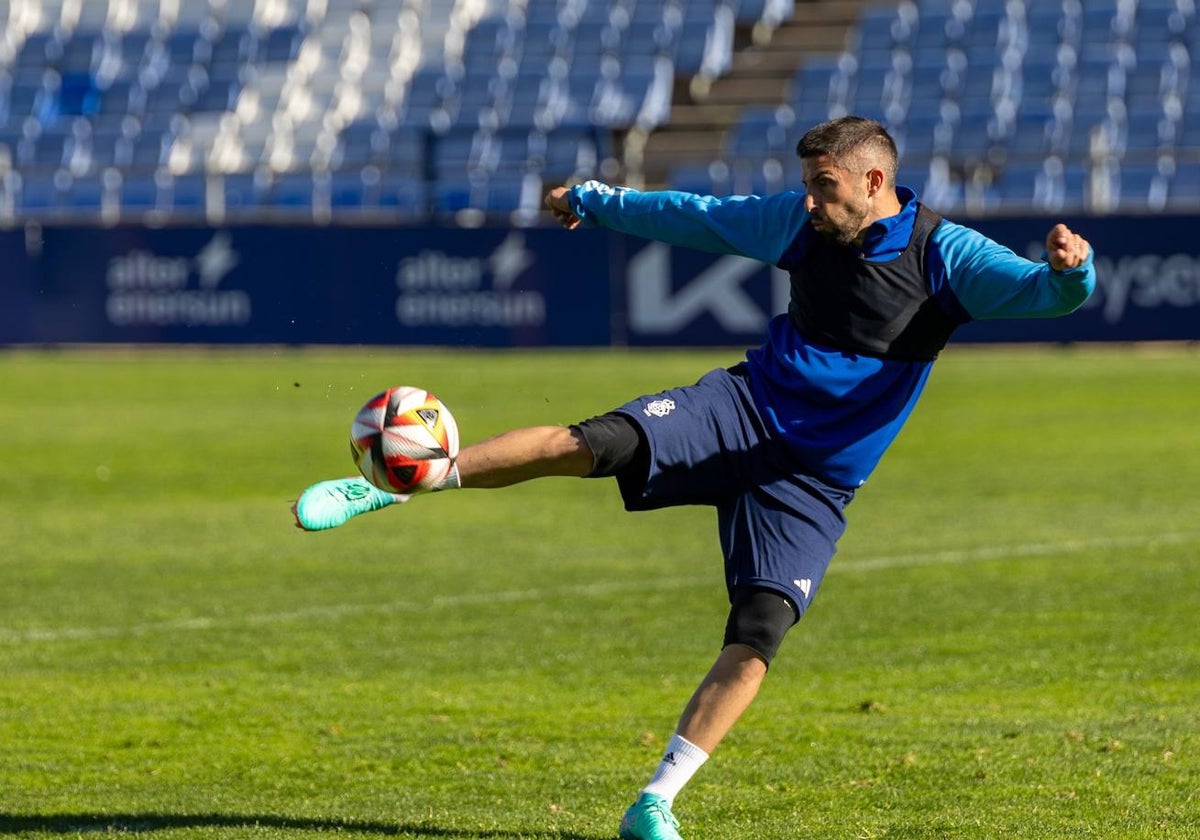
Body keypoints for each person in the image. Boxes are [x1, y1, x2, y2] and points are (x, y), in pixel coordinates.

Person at [293, 116, 1095, 840]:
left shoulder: (946, 256)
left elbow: (1037, 292)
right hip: (740, 411)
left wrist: (1071, 275)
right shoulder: (796, 223)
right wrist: (597, 201)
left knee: (759, 633)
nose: (810, 202)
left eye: (825, 186)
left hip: (814, 484)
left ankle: (656, 803)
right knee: (593, 442)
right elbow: (694, 218)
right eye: (808, 185)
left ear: (874, 183)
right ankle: (403, 482)